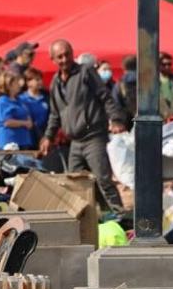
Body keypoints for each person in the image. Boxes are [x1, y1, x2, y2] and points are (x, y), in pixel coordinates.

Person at [39, 39, 127, 211]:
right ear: (53, 59)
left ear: (73, 54)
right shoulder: (55, 83)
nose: (64, 59)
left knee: (104, 179)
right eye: (60, 57)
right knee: (74, 182)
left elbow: (105, 96)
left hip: (93, 136)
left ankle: (121, 216)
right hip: (75, 142)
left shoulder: (85, 72)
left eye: (67, 55)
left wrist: (116, 119)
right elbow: (55, 114)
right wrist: (48, 136)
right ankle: (91, 217)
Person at [0, 69, 34, 150]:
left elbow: (27, 116)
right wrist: (25, 123)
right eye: (16, 82)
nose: (19, 85)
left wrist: (28, 122)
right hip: (10, 142)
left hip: (24, 141)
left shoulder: (20, 100)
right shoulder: (2, 101)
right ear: (9, 85)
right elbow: (7, 122)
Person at [21, 68, 50, 146]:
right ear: (28, 82)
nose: (40, 82)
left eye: (40, 79)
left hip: (45, 137)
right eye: (37, 80)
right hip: (28, 139)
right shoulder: (21, 99)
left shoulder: (47, 97)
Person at [114, 55, 139, 129]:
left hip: (127, 121)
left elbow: (116, 103)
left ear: (123, 67)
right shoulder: (146, 81)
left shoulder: (120, 83)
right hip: (145, 119)